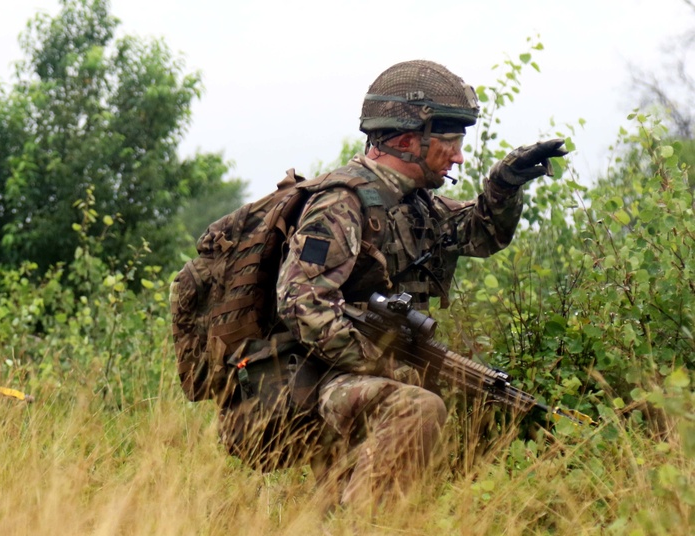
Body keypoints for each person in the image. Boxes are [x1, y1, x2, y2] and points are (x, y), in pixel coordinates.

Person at [223, 60, 568, 509]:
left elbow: (480, 234)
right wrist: (386, 365)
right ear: (409, 140)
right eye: (450, 142)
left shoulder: (414, 206)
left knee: (474, 407)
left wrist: (504, 187)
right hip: (299, 380)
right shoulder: (339, 205)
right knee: (417, 407)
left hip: (345, 375)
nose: (459, 156)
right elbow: (302, 305)